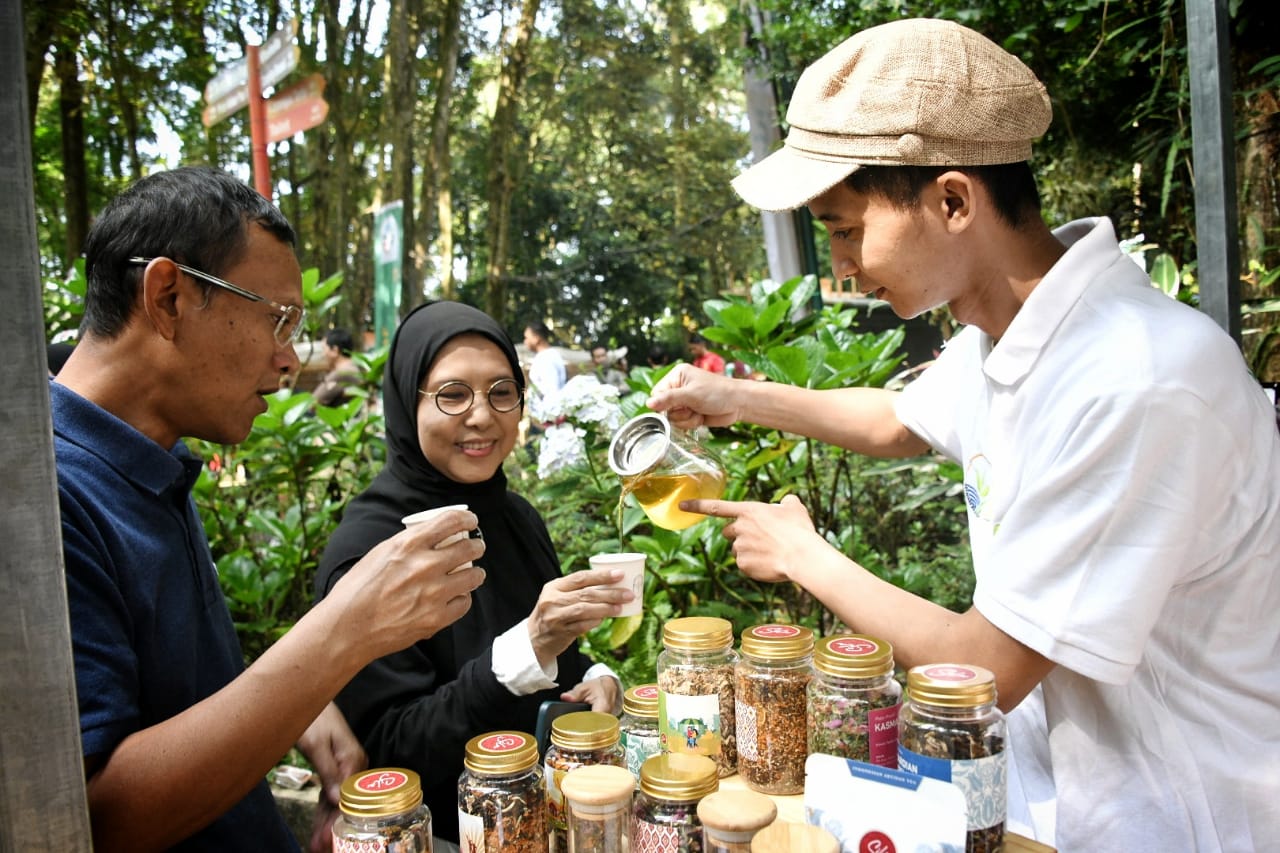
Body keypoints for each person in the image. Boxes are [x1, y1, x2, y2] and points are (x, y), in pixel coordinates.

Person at [647, 19, 1280, 853]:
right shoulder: (1006, 332)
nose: (838, 263)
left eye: (844, 227)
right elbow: (894, 419)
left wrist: (802, 552)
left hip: (1185, 817)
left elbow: (983, 669)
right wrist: (729, 396)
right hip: (1063, 804)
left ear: (952, 200)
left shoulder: (1136, 380)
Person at [51, 167, 486, 852]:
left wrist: (294, 713)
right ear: (167, 297)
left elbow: (170, 695)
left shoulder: (148, 460)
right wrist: (341, 633)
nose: (290, 358)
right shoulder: (48, 501)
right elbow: (92, 818)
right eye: (278, 318)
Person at [315, 301, 628, 847]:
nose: (482, 416)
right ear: (405, 401)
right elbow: (388, 751)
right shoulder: (371, 548)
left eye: (502, 392)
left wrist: (596, 678)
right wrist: (520, 653)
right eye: (452, 394)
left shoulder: (516, 518)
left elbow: (557, 660)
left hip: (546, 822)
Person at [523, 320, 566, 425]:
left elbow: (552, 391)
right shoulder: (546, 357)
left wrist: (548, 422)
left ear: (536, 338)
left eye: (527, 338)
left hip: (546, 421)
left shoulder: (547, 359)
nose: (525, 342)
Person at [312, 327, 362, 406]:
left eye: (324, 349)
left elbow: (312, 402)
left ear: (335, 350)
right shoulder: (353, 368)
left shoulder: (342, 373)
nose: (323, 354)